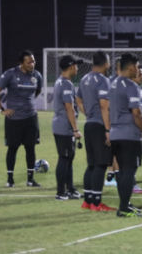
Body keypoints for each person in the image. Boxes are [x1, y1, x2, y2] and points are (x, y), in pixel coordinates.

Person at [0, 50, 44, 188]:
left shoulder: (37, 75)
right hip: (14, 119)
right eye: (29, 62)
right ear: (21, 64)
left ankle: (30, 180)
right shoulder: (11, 74)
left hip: (31, 118)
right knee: (12, 148)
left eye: (33, 61)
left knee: (30, 148)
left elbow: (36, 91)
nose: (32, 64)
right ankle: (10, 179)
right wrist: (1, 109)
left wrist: (28, 105)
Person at [109, 53, 142, 217]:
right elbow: (137, 114)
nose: (138, 70)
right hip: (129, 135)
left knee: (121, 171)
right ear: (132, 67)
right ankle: (124, 208)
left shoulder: (113, 84)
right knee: (128, 171)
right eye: (137, 66)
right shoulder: (131, 86)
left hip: (115, 134)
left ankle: (125, 204)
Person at [76, 50, 116, 211]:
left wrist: (88, 113)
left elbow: (78, 99)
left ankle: (87, 201)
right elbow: (104, 106)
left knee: (91, 165)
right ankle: (97, 203)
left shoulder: (84, 79)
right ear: (107, 64)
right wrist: (108, 129)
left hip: (89, 125)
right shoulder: (103, 81)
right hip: (100, 126)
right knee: (100, 165)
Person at [52, 55, 84, 200]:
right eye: (76, 66)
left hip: (61, 125)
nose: (77, 68)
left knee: (69, 157)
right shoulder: (66, 84)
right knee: (64, 157)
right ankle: (60, 192)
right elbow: (69, 108)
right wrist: (76, 129)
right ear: (71, 66)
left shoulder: (60, 81)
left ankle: (70, 189)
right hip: (64, 126)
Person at [131, 66, 142, 195]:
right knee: (132, 160)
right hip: (133, 131)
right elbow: (136, 113)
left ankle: (131, 182)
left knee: (137, 159)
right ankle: (131, 184)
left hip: (140, 129)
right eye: (139, 74)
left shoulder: (139, 89)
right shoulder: (131, 89)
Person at [106, 56, 122, 187]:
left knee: (112, 148)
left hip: (109, 118)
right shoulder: (119, 82)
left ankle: (110, 174)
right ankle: (114, 175)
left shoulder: (108, 80)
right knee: (117, 148)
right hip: (115, 119)